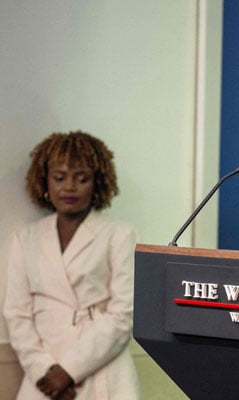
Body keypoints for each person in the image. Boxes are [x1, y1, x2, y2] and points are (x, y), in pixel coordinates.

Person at [3, 131, 140, 399]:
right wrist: (45, 372)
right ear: (44, 181)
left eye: (82, 178)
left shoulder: (120, 235)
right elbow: (16, 313)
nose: (69, 187)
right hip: (42, 373)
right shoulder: (26, 238)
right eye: (59, 177)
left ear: (97, 184)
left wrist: (69, 371)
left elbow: (124, 313)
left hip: (102, 368)